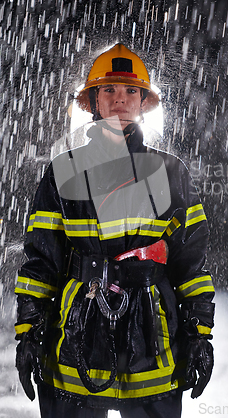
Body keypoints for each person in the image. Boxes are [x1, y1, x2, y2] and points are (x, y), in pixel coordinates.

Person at [14, 43, 215, 418]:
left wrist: (200, 334)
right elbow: (41, 263)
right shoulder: (63, 172)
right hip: (76, 341)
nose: (120, 101)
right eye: (109, 90)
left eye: (130, 92)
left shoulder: (172, 175)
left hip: (152, 342)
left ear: (143, 103)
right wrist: (29, 331)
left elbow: (191, 265)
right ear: (92, 102)